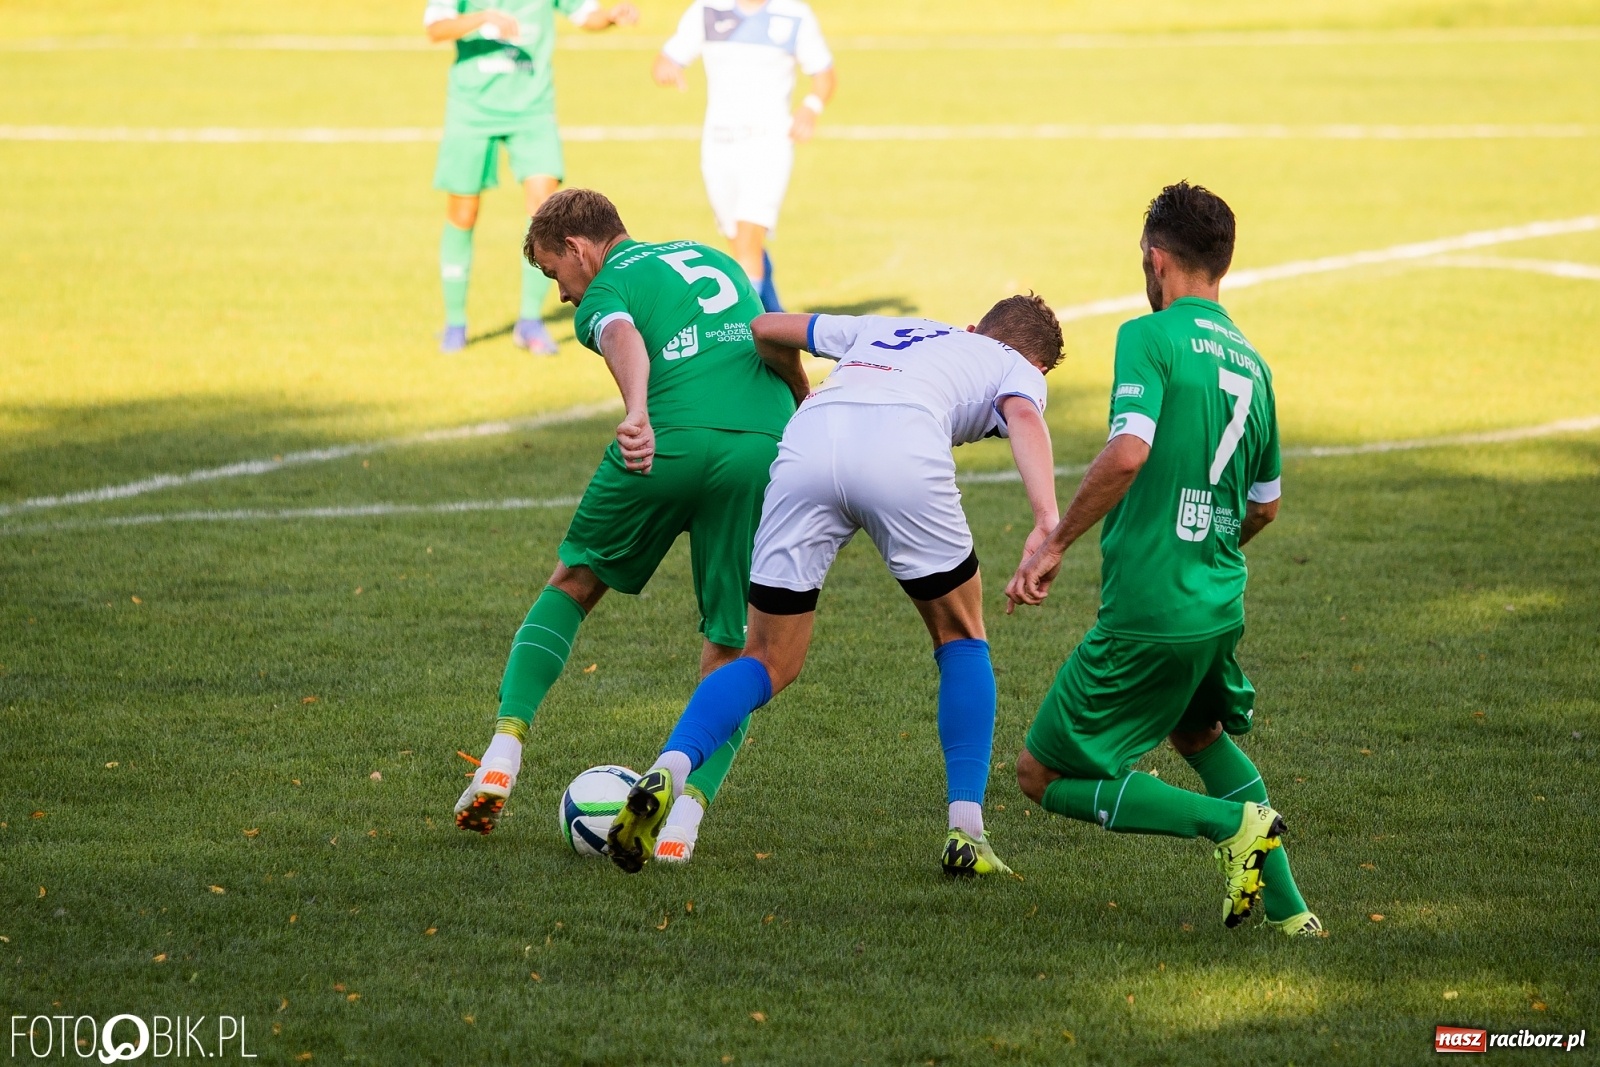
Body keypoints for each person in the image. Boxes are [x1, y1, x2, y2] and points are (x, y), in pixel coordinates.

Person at [606, 297, 1065, 877]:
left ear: (974, 326)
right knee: (961, 637)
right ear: (1039, 366)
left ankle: (669, 765)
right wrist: (1047, 520)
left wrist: (802, 386)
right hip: (903, 448)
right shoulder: (1017, 368)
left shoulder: (895, 326)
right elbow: (1023, 415)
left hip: (809, 441)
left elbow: (766, 329)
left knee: (768, 658)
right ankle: (965, 835)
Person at [1006, 182, 1321, 936]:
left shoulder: (1148, 338)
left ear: (1156, 259)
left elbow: (1126, 453)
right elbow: (1267, 504)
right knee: (1198, 733)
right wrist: (1204, 542)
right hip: (1217, 603)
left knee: (1040, 772)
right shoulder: (1256, 364)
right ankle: (1294, 914)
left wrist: (1053, 541)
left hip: (1151, 610)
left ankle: (1229, 827)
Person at [455, 188, 797, 864]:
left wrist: (637, 408)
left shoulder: (609, 285)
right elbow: (772, 337)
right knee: (735, 646)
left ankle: (502, 749)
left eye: (555, 274)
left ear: (581, 250)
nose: (561, 296)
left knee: (574, 580)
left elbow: (621, 334)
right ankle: (685, 819)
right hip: (762, 446)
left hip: (666, 441)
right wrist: (802, 404)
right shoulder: (713, 257)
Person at [425, 0, 639, 354]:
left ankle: (529, 321)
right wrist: (483, 17)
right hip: (471, 110)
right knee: (463, 212)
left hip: (532, 111)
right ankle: (455, 323)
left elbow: (585, 15)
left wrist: (611, 17)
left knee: (545, 214)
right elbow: (435, 28)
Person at [652, 0, 836, 313]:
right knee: (738, 240)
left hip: (769, 142)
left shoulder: (793, 14)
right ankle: (774, 317)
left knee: (749, 237)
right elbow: (665, 60)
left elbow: (824, 73)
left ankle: (748, 334)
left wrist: (810, 108)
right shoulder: (708, 10)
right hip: (718, 143)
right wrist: (667, 68)